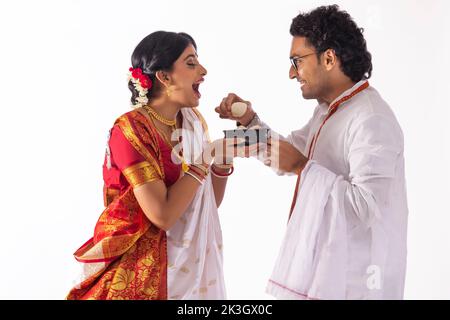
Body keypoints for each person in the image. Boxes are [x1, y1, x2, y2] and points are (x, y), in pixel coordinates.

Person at [215, 5, 408, 299]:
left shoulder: (370, 118)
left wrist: (304, 168)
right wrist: (249, 122)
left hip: (357, 283)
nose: (292, 73)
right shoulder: (331, 110)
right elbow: (289, 155)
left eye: (297, 61)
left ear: (328, 58)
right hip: (327, 273)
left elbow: (368, 209)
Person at [67, 31, 248, 300]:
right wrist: (206, 157)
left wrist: (223, 160)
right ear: (164, 77)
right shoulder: (130, 131)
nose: (203, 70)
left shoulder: (192, 122)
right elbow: (163, 215)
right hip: (140, 269)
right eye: (191, 63)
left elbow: (203, 203)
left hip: (185, 268)